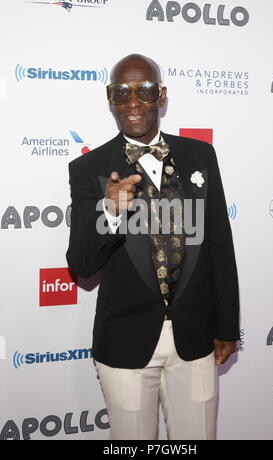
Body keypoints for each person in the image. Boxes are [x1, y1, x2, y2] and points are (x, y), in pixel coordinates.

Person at [66, 54, 240, 440]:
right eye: (120, 92)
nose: (132, 102)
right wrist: (109, 210)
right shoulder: (88, 169)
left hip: (194, 338)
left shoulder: (200, 156)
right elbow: (81, 263)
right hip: (125, 341)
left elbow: (219, 246)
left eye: (144, 90)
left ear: (161, 95)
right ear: (110, 99)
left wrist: (227, 323)